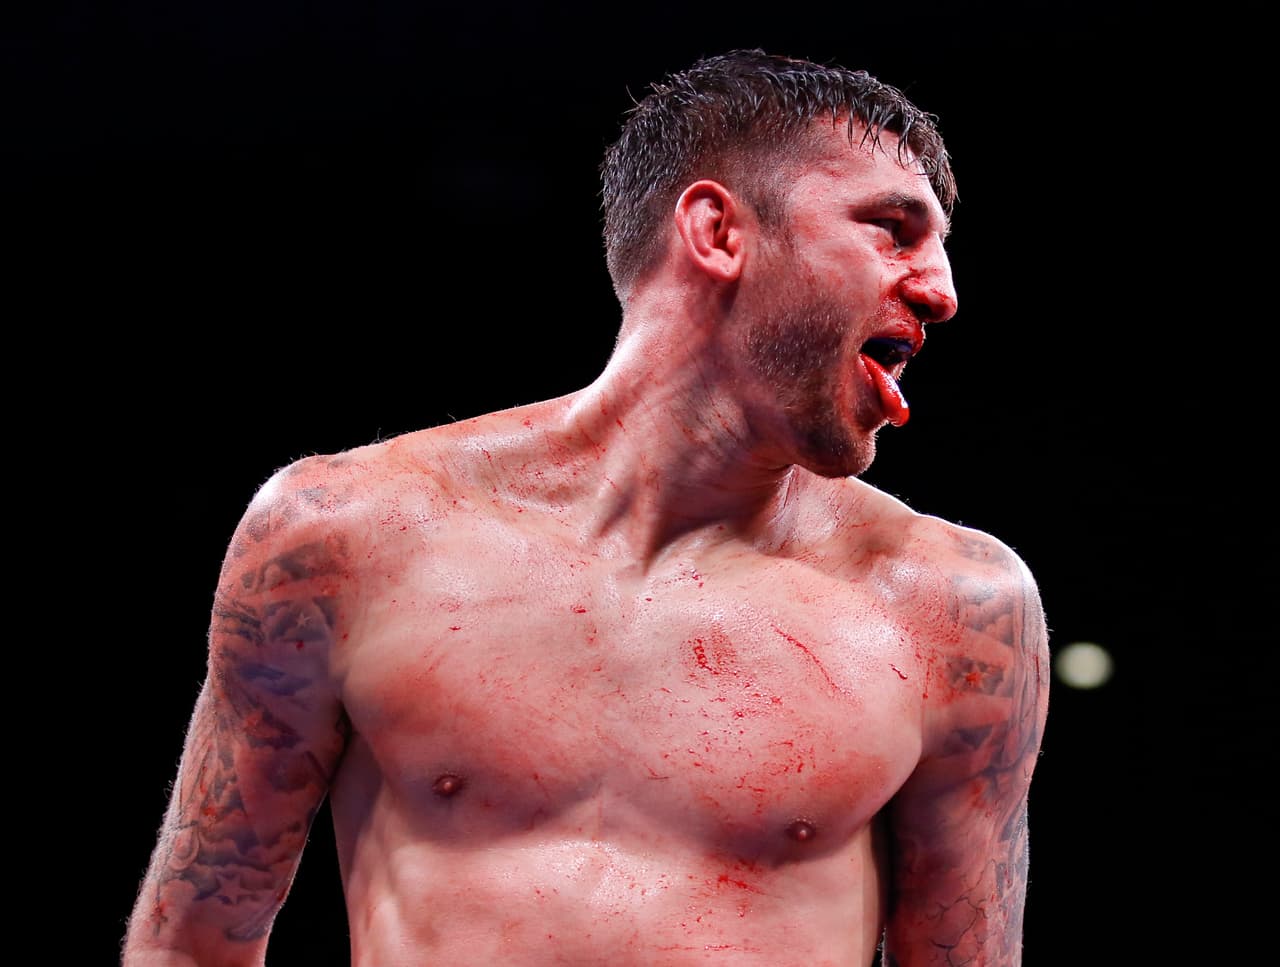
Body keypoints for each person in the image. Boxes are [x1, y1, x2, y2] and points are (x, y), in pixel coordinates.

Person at [123, 49, 1049, 966]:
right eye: (893, 229)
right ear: (719, 232)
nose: (943, 290)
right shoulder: (344, 534)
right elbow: (193, 946)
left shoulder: (951, 607)